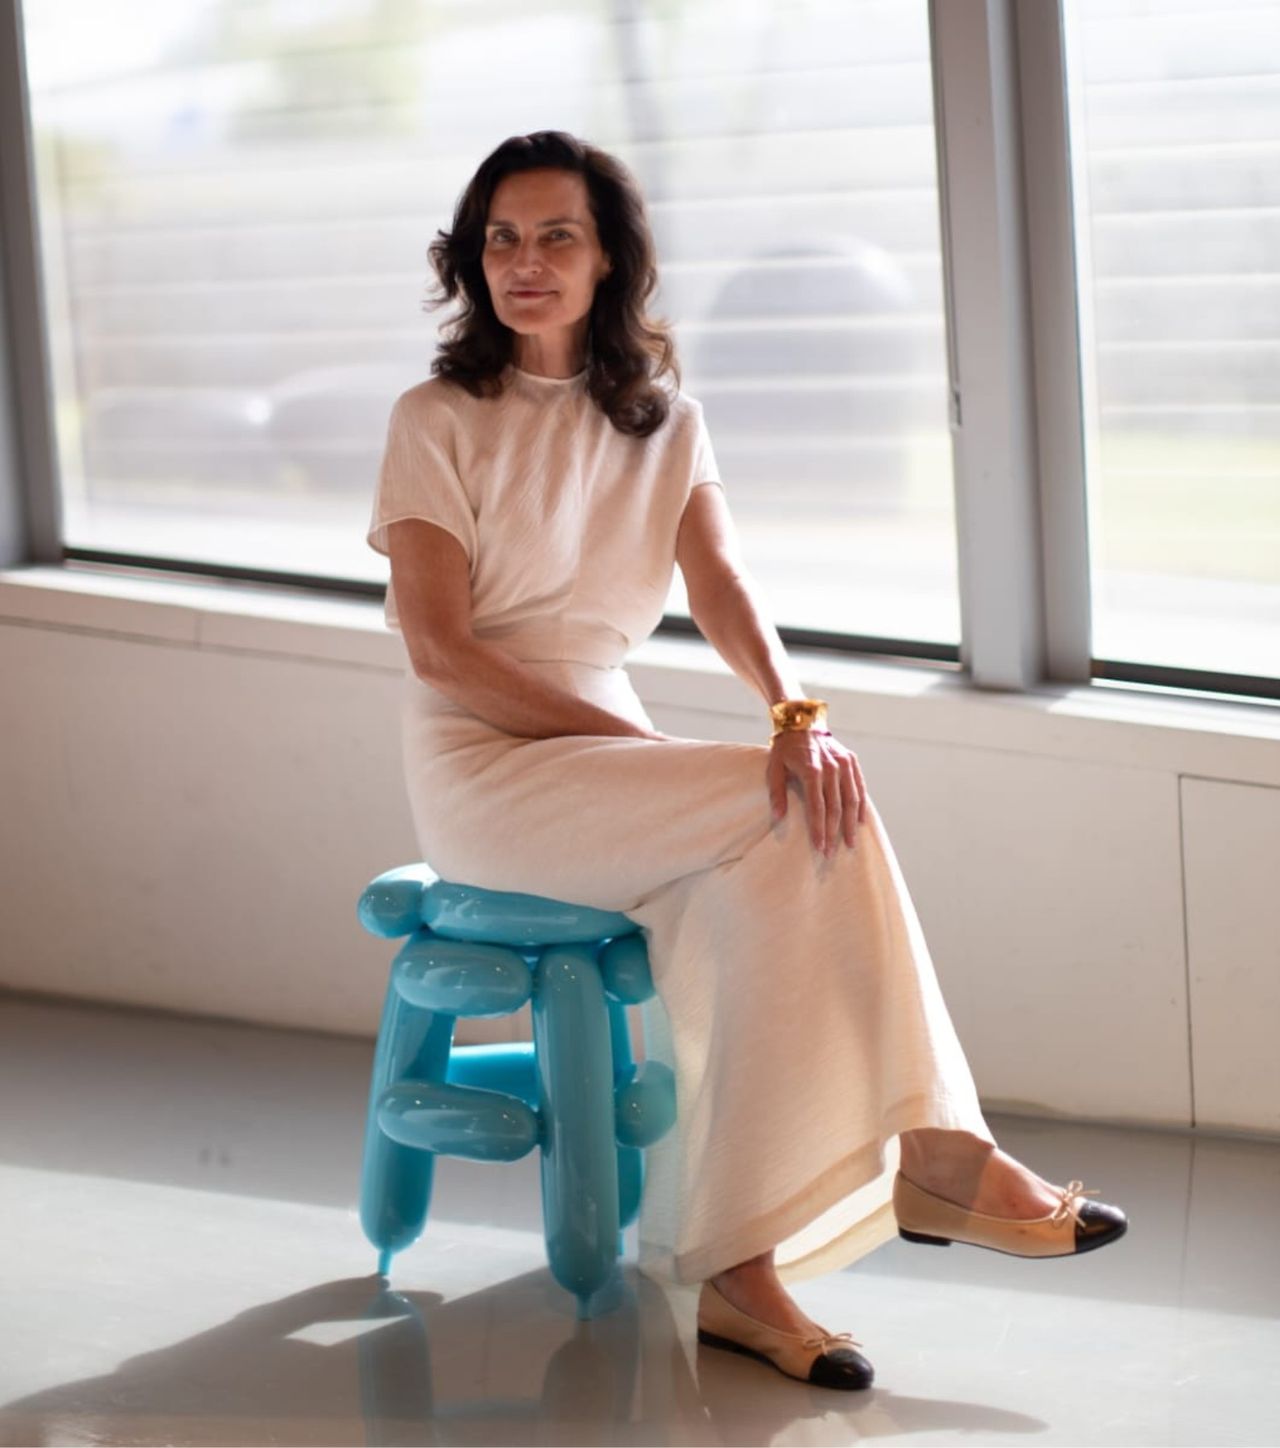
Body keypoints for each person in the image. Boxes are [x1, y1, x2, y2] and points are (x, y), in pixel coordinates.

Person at [366, 129, 1127, 1392]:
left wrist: (794, 712)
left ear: (610, 259)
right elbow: (443, 652)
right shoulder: (433, 418)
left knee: (798, 820)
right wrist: (646, 745)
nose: (525, 262)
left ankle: (739, 1269)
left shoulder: (664, 421)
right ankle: (938, 1154)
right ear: (471, 260)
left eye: (557, 235)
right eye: (501, 237)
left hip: (610, 762)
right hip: (490, 768)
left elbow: (719, 580)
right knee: (781, 808)